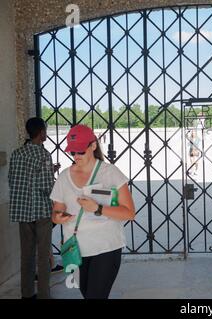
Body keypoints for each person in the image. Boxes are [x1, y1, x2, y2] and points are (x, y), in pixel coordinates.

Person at [50, 124, 135, 299]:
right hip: (76, 250)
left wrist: (98, 208)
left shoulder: (110, 173)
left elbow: (129, 213)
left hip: (106, 247)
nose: (76, 156)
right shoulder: (64, 176)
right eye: (72, 152)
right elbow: (56, 212)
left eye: (80, 151)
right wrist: (59, 217)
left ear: (93, 146)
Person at [8, 117, 55, 299]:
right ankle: (44, 294)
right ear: (41, 132)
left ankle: (26, 294)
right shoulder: (43, 155)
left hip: (22, 211)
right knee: (43, 257)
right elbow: (46, 187)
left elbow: (13, 180)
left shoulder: (17, 153)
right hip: (41, 212)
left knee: (26, 255)